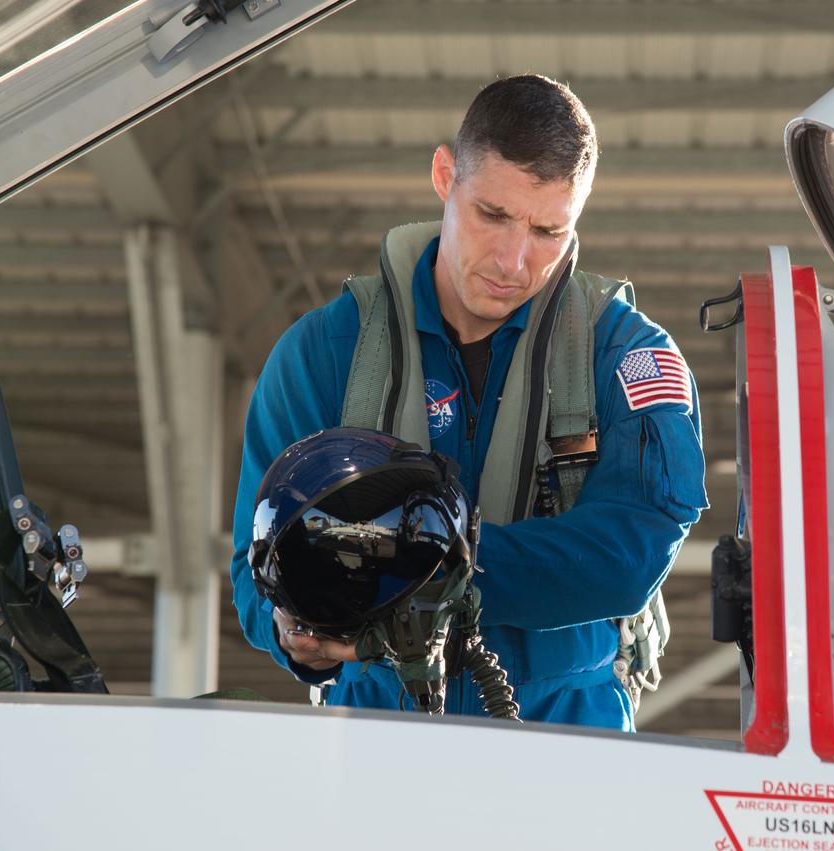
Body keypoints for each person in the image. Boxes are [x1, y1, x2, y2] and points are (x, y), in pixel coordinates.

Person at [229, 74, 707, 731]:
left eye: (547, 230)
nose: (514, 260)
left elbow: (630, 554)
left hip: (568, 731)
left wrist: (416, 566)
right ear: (443, 174)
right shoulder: (322, 352)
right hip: (373, 727)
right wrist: (293, 627)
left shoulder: (624, 355)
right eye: (492, 214)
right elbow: (252, 569)